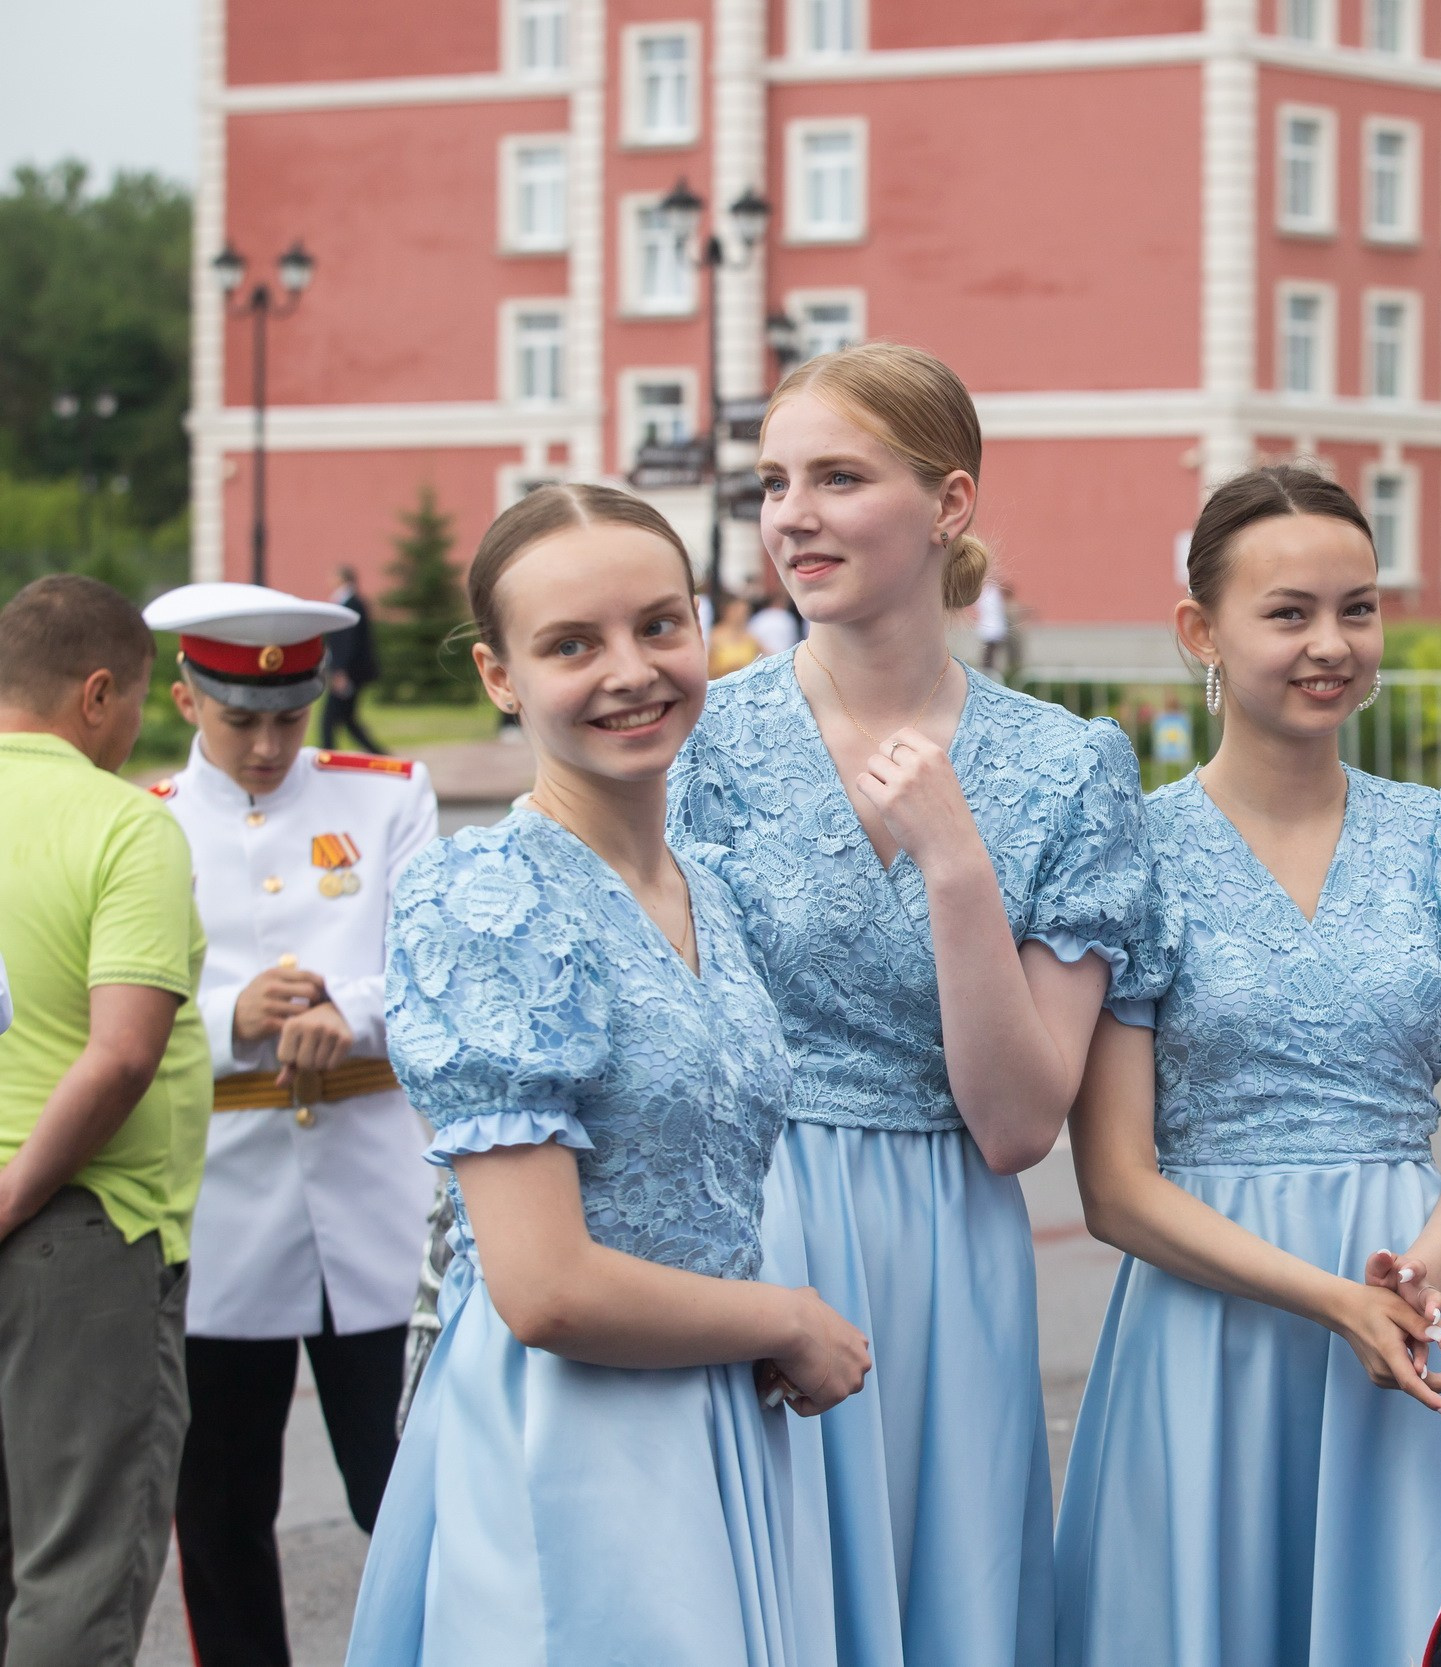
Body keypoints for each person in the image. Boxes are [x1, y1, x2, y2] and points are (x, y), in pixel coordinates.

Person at [670, 342, 1146, 1667]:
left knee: (943, 1605)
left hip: (946, 1242)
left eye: (837, 475)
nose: (791, 515)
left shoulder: (1065, 765)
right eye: (773, 482)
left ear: (949, 503)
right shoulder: (695, 735)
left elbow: (1015, 1125)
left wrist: (954, 860)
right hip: (731, 1222)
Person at [344, 484, 867, 1666]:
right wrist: (785, 1317)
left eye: (658, 624)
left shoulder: (707, 887)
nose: (629, 669)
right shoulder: (489, 895)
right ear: (499, 676)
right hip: (573, 1434)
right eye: (572, 643)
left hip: (715, 1416)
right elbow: (545, 1288)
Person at [1053, 465, 1441, 1667]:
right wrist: (1335, 1299)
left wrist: (1410, 1280)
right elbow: (1112, 1185)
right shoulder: (1137, 857)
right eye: (1288, 613)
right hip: (1206, 1332)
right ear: (1199, 632)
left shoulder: (1440, 838)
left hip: (1419, 1323)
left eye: (1357, 608)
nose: (1331, 643)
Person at [138, 581, 441, 1667]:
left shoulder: (388, 795)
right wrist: (231, 1016)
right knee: (219, 1508)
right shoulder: (150, 822)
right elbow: (120, 1004)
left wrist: (345, 1011)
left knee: (403, 1484)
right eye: (241, 719)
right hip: (222, 1207)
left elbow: (438, 972)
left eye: (288, 716)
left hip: (375, 1198)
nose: (268, 742)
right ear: (185, 699)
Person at [0, 574, 212, 1667]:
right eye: (133, 699)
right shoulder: (128, 823)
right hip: (77, 1229)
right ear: (96, 694)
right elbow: (124, 1050)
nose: (134, 724)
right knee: (76, 1568)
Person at [321, 567, 387, 756]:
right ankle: (380, 754)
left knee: (328, 719)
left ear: (342, 579)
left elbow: (349, 641)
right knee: (348, 720)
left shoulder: (353, 604)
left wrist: (340, 670)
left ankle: (327, 757)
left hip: (350, 672)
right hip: (348, 670)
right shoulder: (345, 601)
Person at [709, 593, 765, 679]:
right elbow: (707, 669)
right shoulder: (714, 636)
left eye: (744, 612)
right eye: (737, 611)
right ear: (726, 611)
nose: (741, 615)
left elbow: (767, 656)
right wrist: (729, 669)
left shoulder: (751, 638)